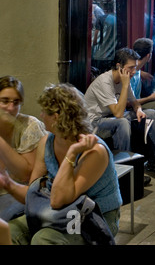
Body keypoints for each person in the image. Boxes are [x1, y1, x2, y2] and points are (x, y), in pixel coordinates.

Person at [0, 83, 122, 245]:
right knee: (12, 231)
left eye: (45, 111)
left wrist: (71, 154)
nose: (41, 115)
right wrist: (9, 184)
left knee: (43, 239)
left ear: (56, 117)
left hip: (93, 217)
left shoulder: (94, 151)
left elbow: (59, 199)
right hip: (57, 212)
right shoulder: (47, 142)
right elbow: (34, 196)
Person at [84, 48, 155, 174]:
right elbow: (118, 114)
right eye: (131, 68)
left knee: (151, 113)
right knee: (122, 122)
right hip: (95, 122)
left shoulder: (125, 79)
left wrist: (139, 110)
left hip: (111, 117)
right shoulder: (105, 81)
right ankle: (127, 168)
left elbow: (135, 102)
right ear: (119, 66)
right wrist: (125, 85)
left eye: (135, 67)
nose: (134, 71)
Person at [0, 76, 47, 221]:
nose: (11, 108)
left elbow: (25, 175)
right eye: (5, 101)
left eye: (16, 102)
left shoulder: (29, 126)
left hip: (22, 191)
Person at [131, 38, 155, 114]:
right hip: (133, 108)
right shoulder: (131, 74)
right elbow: (129, 103)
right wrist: (150, 98)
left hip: (137, 104)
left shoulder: (136, 70)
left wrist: (142, 73)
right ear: (149, 55)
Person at [92, 0, 117, 74]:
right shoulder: (118, 19)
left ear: (102, 5)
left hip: (100, 56)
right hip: (113, 56)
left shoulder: (101, 19)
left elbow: (95, 41)